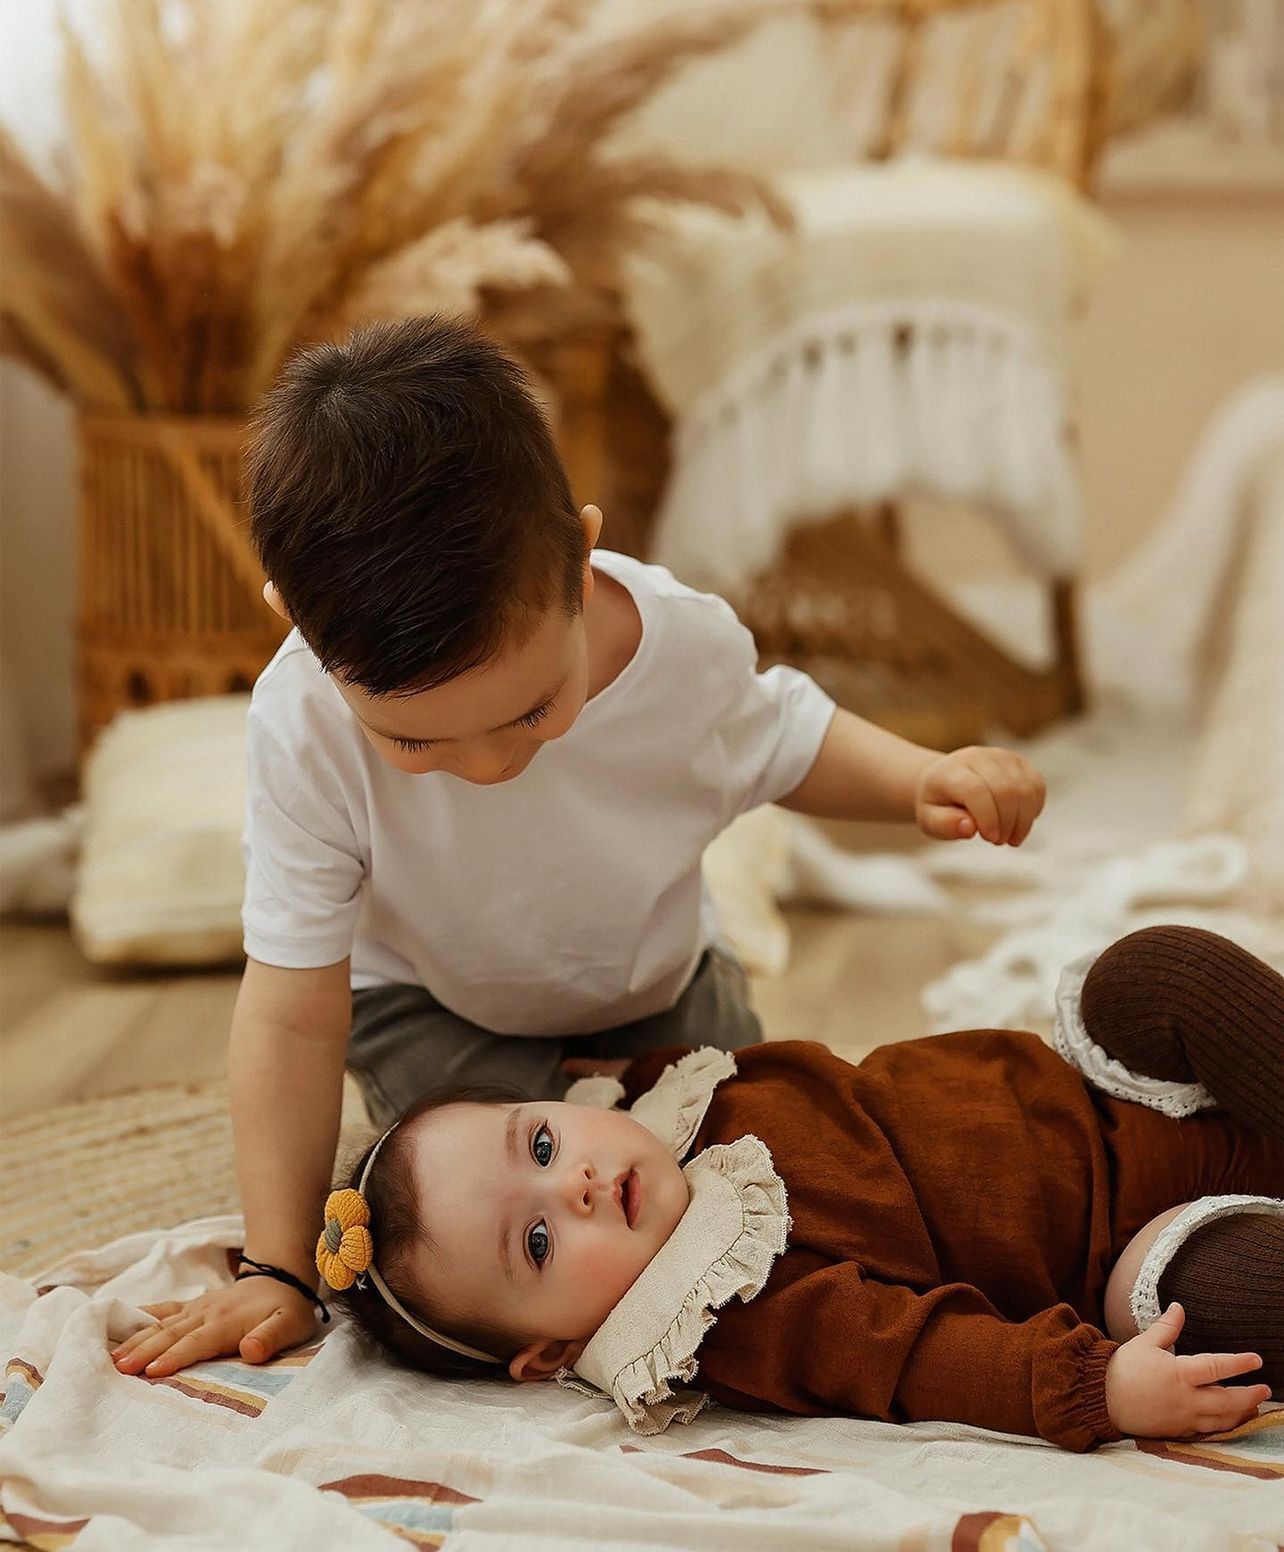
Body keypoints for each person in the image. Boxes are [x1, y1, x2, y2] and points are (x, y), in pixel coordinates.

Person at [110, 315, 1044, 1382]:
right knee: (468, 1223)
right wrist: (277, 1266)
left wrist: (917, 779)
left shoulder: (682, 647)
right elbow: (291, 1004)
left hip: (654, 988)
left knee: (771, 1165)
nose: (488, 766)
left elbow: (783, 733)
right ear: (297, 623)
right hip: (438, 1011)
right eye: (414, 741)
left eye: (531, 710)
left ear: (583, 558)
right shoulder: (302, 727)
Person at [292, 926, 1279, 1451]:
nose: (577, 1185)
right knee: (1228, 1303)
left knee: (1154, 974)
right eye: (538, 1243)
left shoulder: (665, 1103)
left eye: (542, 1143)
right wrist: (1097, 1388)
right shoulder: (733, 1311)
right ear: (551, 1349)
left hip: (1109, 1090)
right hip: (1134, 1241)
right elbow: (918, 1357)